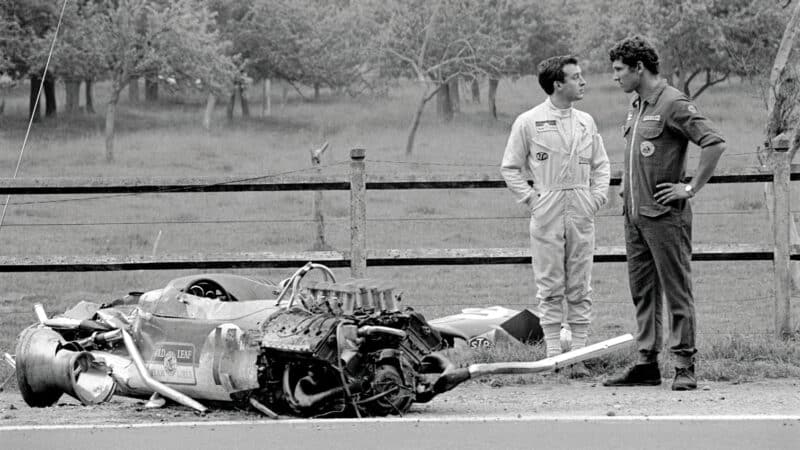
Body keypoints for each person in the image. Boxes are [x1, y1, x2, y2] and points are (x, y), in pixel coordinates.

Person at [603, 36, 726, 391]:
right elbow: (635, 153)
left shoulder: (673, 103)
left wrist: (689, 188)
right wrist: (626, 184)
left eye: (619, 70)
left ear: (638, 67)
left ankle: (684, 365)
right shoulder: (636, 105)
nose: (615, 77)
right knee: (642, 291)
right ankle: (646, 365)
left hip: (664, 216)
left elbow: (714, 142)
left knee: (676, 290)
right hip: (635, 216)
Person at [501, 55, 610, 376]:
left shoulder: (586, 122)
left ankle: (578, 355)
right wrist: (532, 199)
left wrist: (597, 197)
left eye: (581, 76)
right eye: (576, 77)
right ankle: (552, 355)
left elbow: (601, 165)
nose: (583, 82)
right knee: (549, 283)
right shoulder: (528, 121)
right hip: (546, 205)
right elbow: (510, 167)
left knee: (580, 282)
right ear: (557, 84)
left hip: (580, 205)